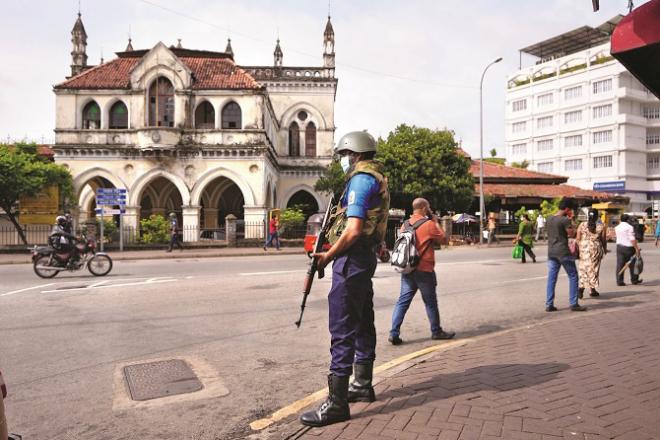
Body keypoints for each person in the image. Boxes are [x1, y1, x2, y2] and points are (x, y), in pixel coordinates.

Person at [300, 131, 389, 427]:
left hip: (351, 260)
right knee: (362, 321)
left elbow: (352, 230)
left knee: (342, 325)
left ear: (355, 154)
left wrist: (327, 256)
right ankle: (362, 385)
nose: (343, 161)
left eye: (344, 155)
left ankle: (337, 403)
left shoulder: (361, 180)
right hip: (362, 258)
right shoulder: (376, 177)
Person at [388, 198, 455, 346]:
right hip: (424, 269)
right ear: (424, 208)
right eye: (428, 207)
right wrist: (436, 221)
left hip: (407, 269)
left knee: (402, 301)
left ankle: (394, 332)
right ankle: (436, 331)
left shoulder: (404, 225)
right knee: (430, 302)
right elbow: (444, 239)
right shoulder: (429, 224)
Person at [545, 198, 587, 312]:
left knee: (551, 278)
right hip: (563, 252)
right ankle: (573, 304)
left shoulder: (549, 218)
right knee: (573, 276)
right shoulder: (565, 220)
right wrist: (572, 219)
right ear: (567, 209)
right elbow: (572, 234)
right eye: (571, 209)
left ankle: (549, 304)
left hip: (551, 252)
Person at [576, 209, 606, 298]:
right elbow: (603, 240)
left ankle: (587, 289)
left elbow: (578, 238)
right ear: (597, 216)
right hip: (595, 250)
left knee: (584, 269)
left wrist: (580, 247)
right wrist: (605, 249)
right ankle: (584, 289)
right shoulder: (601, 226)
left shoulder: (582, 225)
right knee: (593, 269)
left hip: (584, 249)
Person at [615, 214, 642, 285]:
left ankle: (619, 281)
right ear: (627, 220)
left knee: (620, 264)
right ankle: (634, 280)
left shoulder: (617, 227)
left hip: (619, 248)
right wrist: (637, 248)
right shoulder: (629, 227)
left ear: (620, 219)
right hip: (629, 248)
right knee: (633, 264)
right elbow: (632, 239)